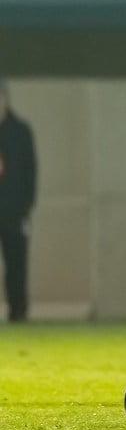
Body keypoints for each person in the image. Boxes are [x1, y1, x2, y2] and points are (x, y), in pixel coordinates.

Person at [0, 79, 37, 322]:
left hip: (13, 210)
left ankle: (18, 310)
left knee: (16, 263)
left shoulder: (20, 132)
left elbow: (31, 172)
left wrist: (26, 206)